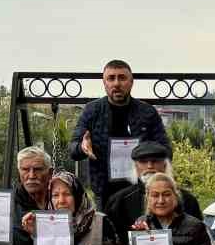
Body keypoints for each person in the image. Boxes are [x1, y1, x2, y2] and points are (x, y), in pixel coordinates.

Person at [69, 60, 170, 209]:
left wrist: (150, 158)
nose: (116, 83)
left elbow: (166, 149)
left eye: (122, 78)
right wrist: (82, 147)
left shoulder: (147, 112)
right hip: (104, 193)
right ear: (104, 83)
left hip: (142, 190)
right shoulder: (92, 111)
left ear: (131, 82)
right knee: (107, 231)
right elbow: (73, 149)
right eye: (111, 78)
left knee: (141, 230)